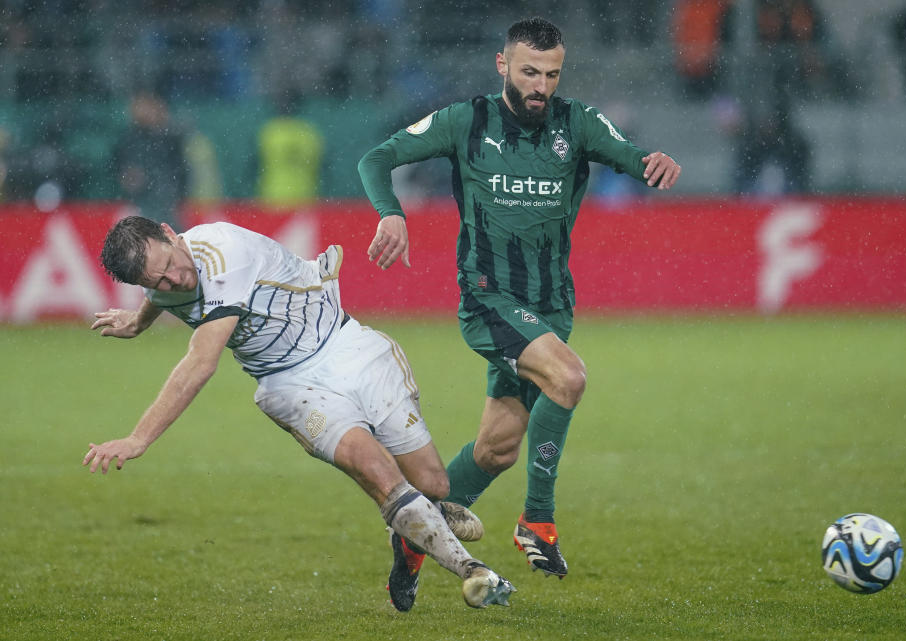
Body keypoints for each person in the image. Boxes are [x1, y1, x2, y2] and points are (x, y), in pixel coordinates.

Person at [358, 17, 680, 589]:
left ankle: (414, 535)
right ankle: (538, 520)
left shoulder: (576, 122)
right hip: (489, 298)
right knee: (570, 378)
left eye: (552, 74)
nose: (541, 86)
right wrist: (390, 212)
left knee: (497, 449)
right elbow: (375, 159)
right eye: (530, 71)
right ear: (502, 64)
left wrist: (656, 163)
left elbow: (634, 158)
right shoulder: (467, 121)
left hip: (551, 306)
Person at [83, 216, 515, 612]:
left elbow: (200, 362)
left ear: (171, 232)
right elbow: (158, 294)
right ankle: (474, 572)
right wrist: (140, 322)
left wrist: (138, 438)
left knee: (432, 484)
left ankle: (410, 534)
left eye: (171, 263)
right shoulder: (158, 280)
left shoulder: (223, 252)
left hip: (348, 348)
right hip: (290, 387)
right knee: (372, 468)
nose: (175, 279)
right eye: (157, 279)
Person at [112, 91, 189, 228]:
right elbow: (119, 167)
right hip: (138, 201)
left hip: (166, 198)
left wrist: (176, 190)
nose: (145, 112)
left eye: (150, 107)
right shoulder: (128, 139)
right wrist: (127, 176)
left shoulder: (169, 137)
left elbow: (181, 169)